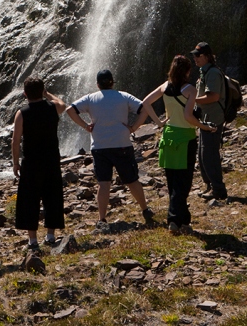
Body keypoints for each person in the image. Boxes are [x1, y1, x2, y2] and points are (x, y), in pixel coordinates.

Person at [136, 55, 218, 232]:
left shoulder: (164, 87)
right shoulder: (189, 89)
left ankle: (183, 220)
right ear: (187, 71)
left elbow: (145, 103)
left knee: (173, 182)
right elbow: (189, 116)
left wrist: (159, 123)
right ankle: (173, 219)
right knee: (184, 182)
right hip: (185, 138)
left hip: (168, 136)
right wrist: (204, 126)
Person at [66, 69, 155, 228]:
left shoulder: (91, 98)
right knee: (132, 180)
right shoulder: (123, 96)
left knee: (104, 183)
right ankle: (145, 210)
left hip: (100, 147)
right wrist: (134, 127)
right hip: (122, 144)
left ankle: (102, 219)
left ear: (98, 84)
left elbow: (70, 110)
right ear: (113, 82)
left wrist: (86, 126)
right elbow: (144, 109)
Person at [11, 77, 68, 251]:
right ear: (42, 91)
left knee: (29, 199)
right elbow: (62, 104)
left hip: (31, 161)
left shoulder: (22, 113)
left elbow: (15, 140)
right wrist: (48, 94)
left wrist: (15, 163)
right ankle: (50, 235)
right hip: (51, 159)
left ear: (25, 94)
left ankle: (33, 240)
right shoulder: (53, 108)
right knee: (52, 196)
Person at [190, 43, 229, 200]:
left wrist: (192, 100)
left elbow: (214, 96)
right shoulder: (203, 72)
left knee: (209, 155)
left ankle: (218, 189)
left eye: (198, 56)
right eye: (194, 55)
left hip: (213, 119)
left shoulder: (212, 73)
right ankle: (209, 186)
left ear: (206, 56)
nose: (195, 58)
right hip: (205, 118)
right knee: (202, 154)